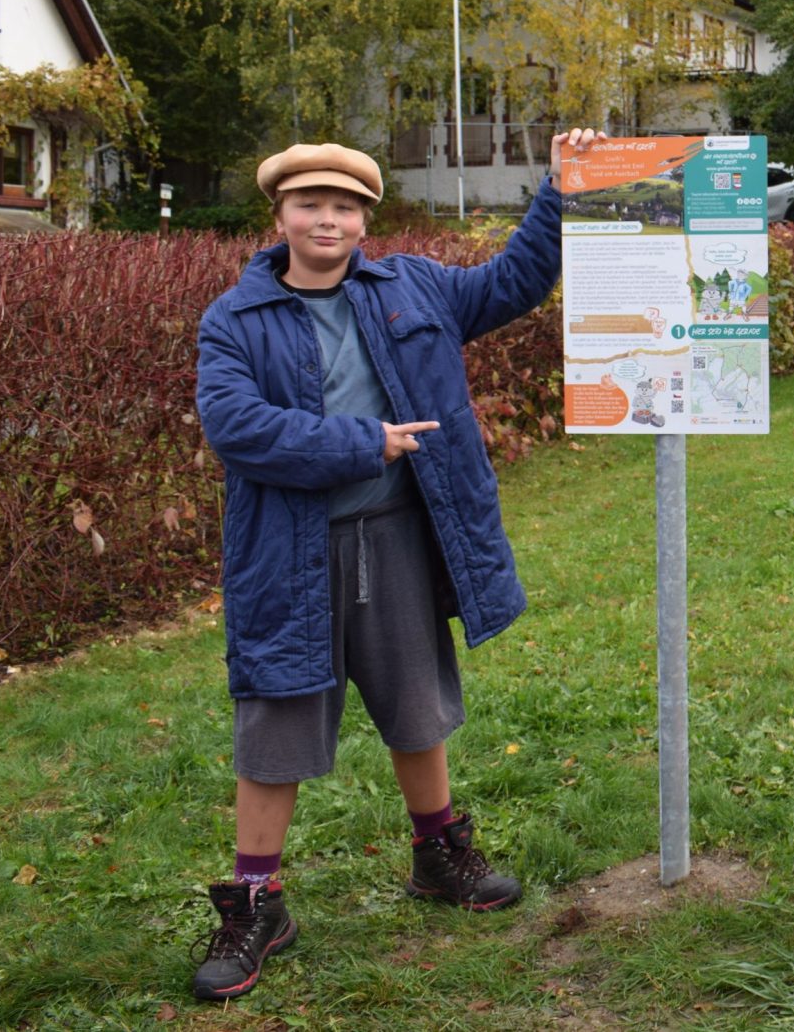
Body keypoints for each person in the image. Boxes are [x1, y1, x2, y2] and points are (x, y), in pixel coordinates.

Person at [190, 131, 594, 1001]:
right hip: (285, 551)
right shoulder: (235, 319)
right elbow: (237, 428)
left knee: (418, 705)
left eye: (344, 206)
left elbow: (514, 282)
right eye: (310, 204)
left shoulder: (414, 286)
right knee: (278, 719)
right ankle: (257, 900)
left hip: (402, 535)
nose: (327, 218)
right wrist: (361, 442)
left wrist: (561, 189)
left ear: (365, 217)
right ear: (281, 216)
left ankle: (438, 854)